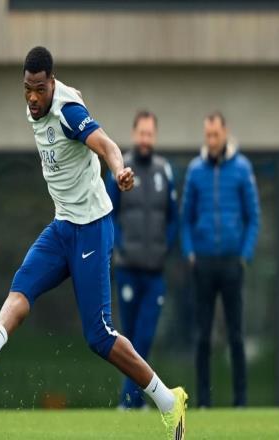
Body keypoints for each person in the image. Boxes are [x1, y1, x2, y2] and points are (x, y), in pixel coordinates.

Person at [0, 47, 187, 438]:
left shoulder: (68, 112)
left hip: (92, 228)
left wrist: (120, 170)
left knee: (99, 336)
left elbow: (108, 145)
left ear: (52, 81)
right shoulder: (36, 105)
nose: (32, 97)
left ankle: (168, 400)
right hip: (63, 226)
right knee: (22, 285)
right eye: (27, 88)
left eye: (39, 89)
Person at [181, 111, 260, 408]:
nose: (211, 140)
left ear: (225, 133)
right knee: (203, 336)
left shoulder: (242, 168)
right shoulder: (195, 171)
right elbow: (185, 218)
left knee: (236, 335)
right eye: (208, 135)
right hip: (203, 262)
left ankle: (240, 402)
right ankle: (203, 401)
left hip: (231, 263)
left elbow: (253, 217)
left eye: (215, 134)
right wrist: (190, 253)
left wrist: (244, 255)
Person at [106, 110, 178, 409]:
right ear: (134, 134)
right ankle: (133, 401)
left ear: (154, 136)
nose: (146, 139)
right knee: (130, 339)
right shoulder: (122, 168)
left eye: (150, 134)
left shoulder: (164, 171)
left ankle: (130, 400)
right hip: (127, 269)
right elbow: (108, 212)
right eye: (142, 133)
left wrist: (164, 248)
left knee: (145, 337)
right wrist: (120, 247)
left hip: (155, 271)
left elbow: (173, 218)